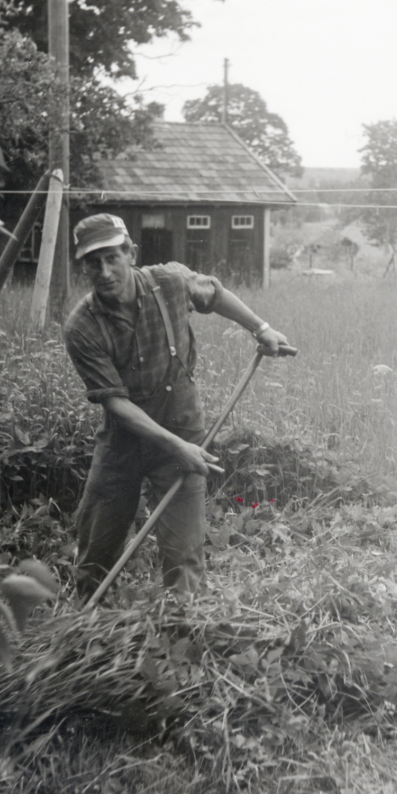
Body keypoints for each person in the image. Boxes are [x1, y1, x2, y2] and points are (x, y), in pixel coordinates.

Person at [63, 213, 290, 600]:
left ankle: (185, 632)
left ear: (130, 253)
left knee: (184, 559)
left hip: (183, 429)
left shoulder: (169, 282)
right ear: (83, 266)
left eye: (111, 258)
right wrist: (176, 446)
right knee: (95, 555)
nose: (103, 271)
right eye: (92, 262)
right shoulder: (81, 326)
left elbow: (215, 294)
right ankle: (86, 632)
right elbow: (116, 403)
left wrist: (262, 328)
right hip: (122, 443)